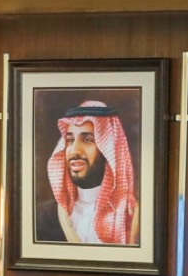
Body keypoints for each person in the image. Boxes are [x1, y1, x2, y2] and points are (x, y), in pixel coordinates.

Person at [36, 101, 139, 245]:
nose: (74, 151)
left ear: (108, 150)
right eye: (70, 140)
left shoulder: (133, 217)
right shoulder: (44, 216)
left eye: (87, 140)